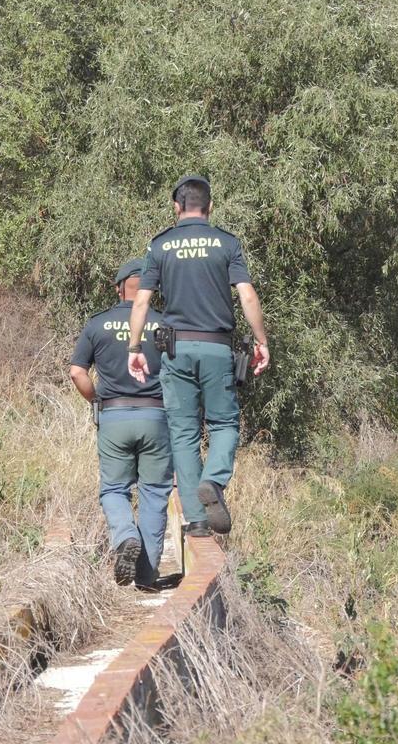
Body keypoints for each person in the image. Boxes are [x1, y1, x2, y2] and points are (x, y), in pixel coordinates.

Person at [126, 175, 270, 537]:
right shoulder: (226, 243)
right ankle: (214, 481)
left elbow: (141, 301)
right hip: (217, 348)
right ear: (210, 207)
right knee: (223, 424)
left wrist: (134, 348)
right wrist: (261, 340)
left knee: (184, 432)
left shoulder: (160, 246)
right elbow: (247, 296)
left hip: (176, 349)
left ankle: (197, 519)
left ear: (177, 207)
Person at [70, 258, 173, 587]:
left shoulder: (97, 324)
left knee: (114, 489)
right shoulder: (164, 324)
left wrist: (96, 400)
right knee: (155, 493)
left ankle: (126, 536)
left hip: (114, 414)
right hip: (157, 416)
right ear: (149, 289)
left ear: (118, 288)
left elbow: (77, 372)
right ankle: (146, 575)